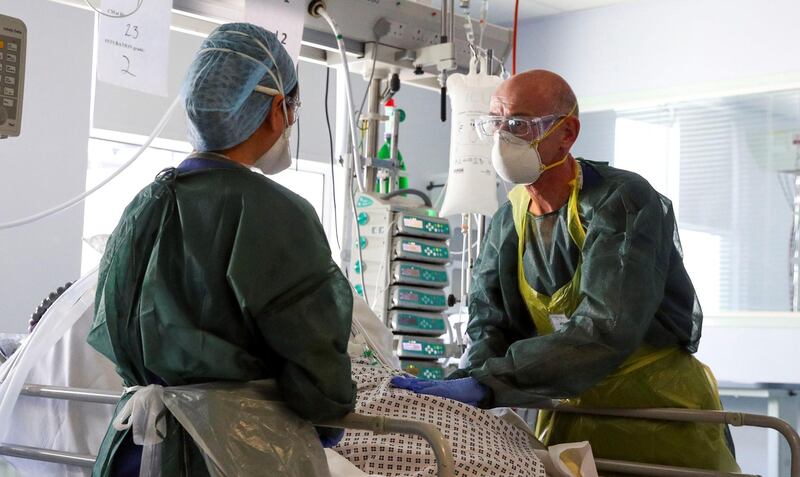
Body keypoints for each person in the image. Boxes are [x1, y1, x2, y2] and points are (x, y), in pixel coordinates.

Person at [392, 69, 740, 471]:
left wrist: (489, 383)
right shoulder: (511, 218)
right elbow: (491, 322)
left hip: (658, 412)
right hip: (573, 411)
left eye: (519, 124)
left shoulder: (621, 202)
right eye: (495, 123)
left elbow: (606, 328)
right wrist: (468, 378)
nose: (504, 136)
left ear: (567, 133)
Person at [87, 23, 356, 477]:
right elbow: (316, 363)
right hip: (229, 450)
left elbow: (111, 327)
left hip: (132, 447)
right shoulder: (276, 213)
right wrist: (327, 416)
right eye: (292, 108)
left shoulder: (145, 204)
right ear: (277, 108)